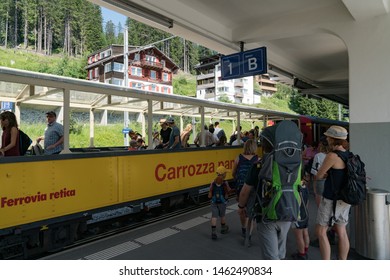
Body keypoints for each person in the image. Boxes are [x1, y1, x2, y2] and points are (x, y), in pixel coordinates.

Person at [237, 125, 292, 259]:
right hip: (288, 210)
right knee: (280, 250)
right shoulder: (291, 163)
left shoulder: (259, 165)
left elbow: (245, 190)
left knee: (271, 256)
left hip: (267, 213)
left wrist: (241, 206)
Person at [315, 125, 350, 260]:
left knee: (321, 231)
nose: (327, 139)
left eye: (328, 137)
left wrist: (324, 175)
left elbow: (319, 175)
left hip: (331, 199)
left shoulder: (332, 155)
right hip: (344, 199)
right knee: (341, 231)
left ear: (332, 139)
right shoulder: (348, 154)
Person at [231, 139, 258, 239]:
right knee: (250, 210)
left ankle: (243, 228)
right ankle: (249, 233)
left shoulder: (238, 158)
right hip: (253, 188)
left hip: (241, 188)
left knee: (242, 208)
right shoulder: (257, 159)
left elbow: (233, 173)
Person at [208, 166, 232, 240]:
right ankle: (223, 229)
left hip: (214, 202)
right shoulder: (225, 182)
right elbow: (228, 191)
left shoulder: (213, 182)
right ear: (224, 174)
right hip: (222, 202)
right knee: (222, 216)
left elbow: (210, 192)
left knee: (214, 216)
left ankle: (213, 233)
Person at [291, 175, 310, 260]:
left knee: (299, 236)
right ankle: (305, 250)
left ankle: (301, 254)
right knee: (305, 232)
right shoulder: (304, 186)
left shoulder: (296, 188)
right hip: (305, 213)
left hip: (298, 215)